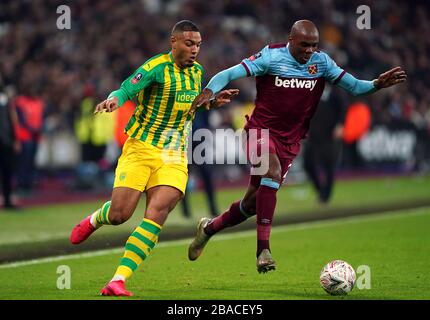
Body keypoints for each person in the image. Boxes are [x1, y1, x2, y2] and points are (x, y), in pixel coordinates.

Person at [188, 20, 407, 273]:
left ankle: (208, 229)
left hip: (290, 142)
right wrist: (209, 90)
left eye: (314, 46)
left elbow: (355, 87)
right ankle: (263, 250)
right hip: (259, 133)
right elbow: (227, 74)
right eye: (304, 45)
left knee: (251, 205)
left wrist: (376, 85)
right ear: (291, 40)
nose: (309, 51)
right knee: (271, 173)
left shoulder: (322, 63)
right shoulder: (270, 57)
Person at [69, 20, 238, 296]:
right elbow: (126, 89)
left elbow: (191, 104)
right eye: (189, 43)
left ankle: (118, 280)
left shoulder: (197, 72)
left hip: (175, 153)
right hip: (141, 147)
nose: (195, 49)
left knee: (157, 212)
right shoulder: (155, 68)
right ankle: (95, 219)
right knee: (121, 214)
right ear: (173, 42)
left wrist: (212, 101)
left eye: (198, 44)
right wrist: (114, 100)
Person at [302, 85, 347, 204]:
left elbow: (343, 108)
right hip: (314, 134)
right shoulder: (310, 91)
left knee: (329, 166)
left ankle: (325, 196)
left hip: (330, 134)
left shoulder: (335, 93)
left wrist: (340, 125)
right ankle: (321, 190)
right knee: (307, 164)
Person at [0, 83, 20, 209]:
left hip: (6, 141)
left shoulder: (5, 99)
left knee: (7, 171)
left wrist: (15, 139)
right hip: (6, 139)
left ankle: (7, 200)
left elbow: (12, 120)